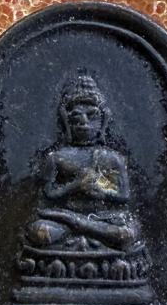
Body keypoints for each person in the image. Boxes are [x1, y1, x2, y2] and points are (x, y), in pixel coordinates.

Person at [25, 74, 141, 253]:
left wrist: (101, 190)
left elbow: (123, 195)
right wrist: (76, 185)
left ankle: (81, 226)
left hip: (103, 218)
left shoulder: (112, 158)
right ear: (67, 123)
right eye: (76, 119)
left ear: (103, 122)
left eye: (91, 117)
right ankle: (81, 228)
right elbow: (47, 194)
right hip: (64, 217)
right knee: (41, 232)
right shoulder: (57, 157)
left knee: (126, 233)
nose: (84, 124)